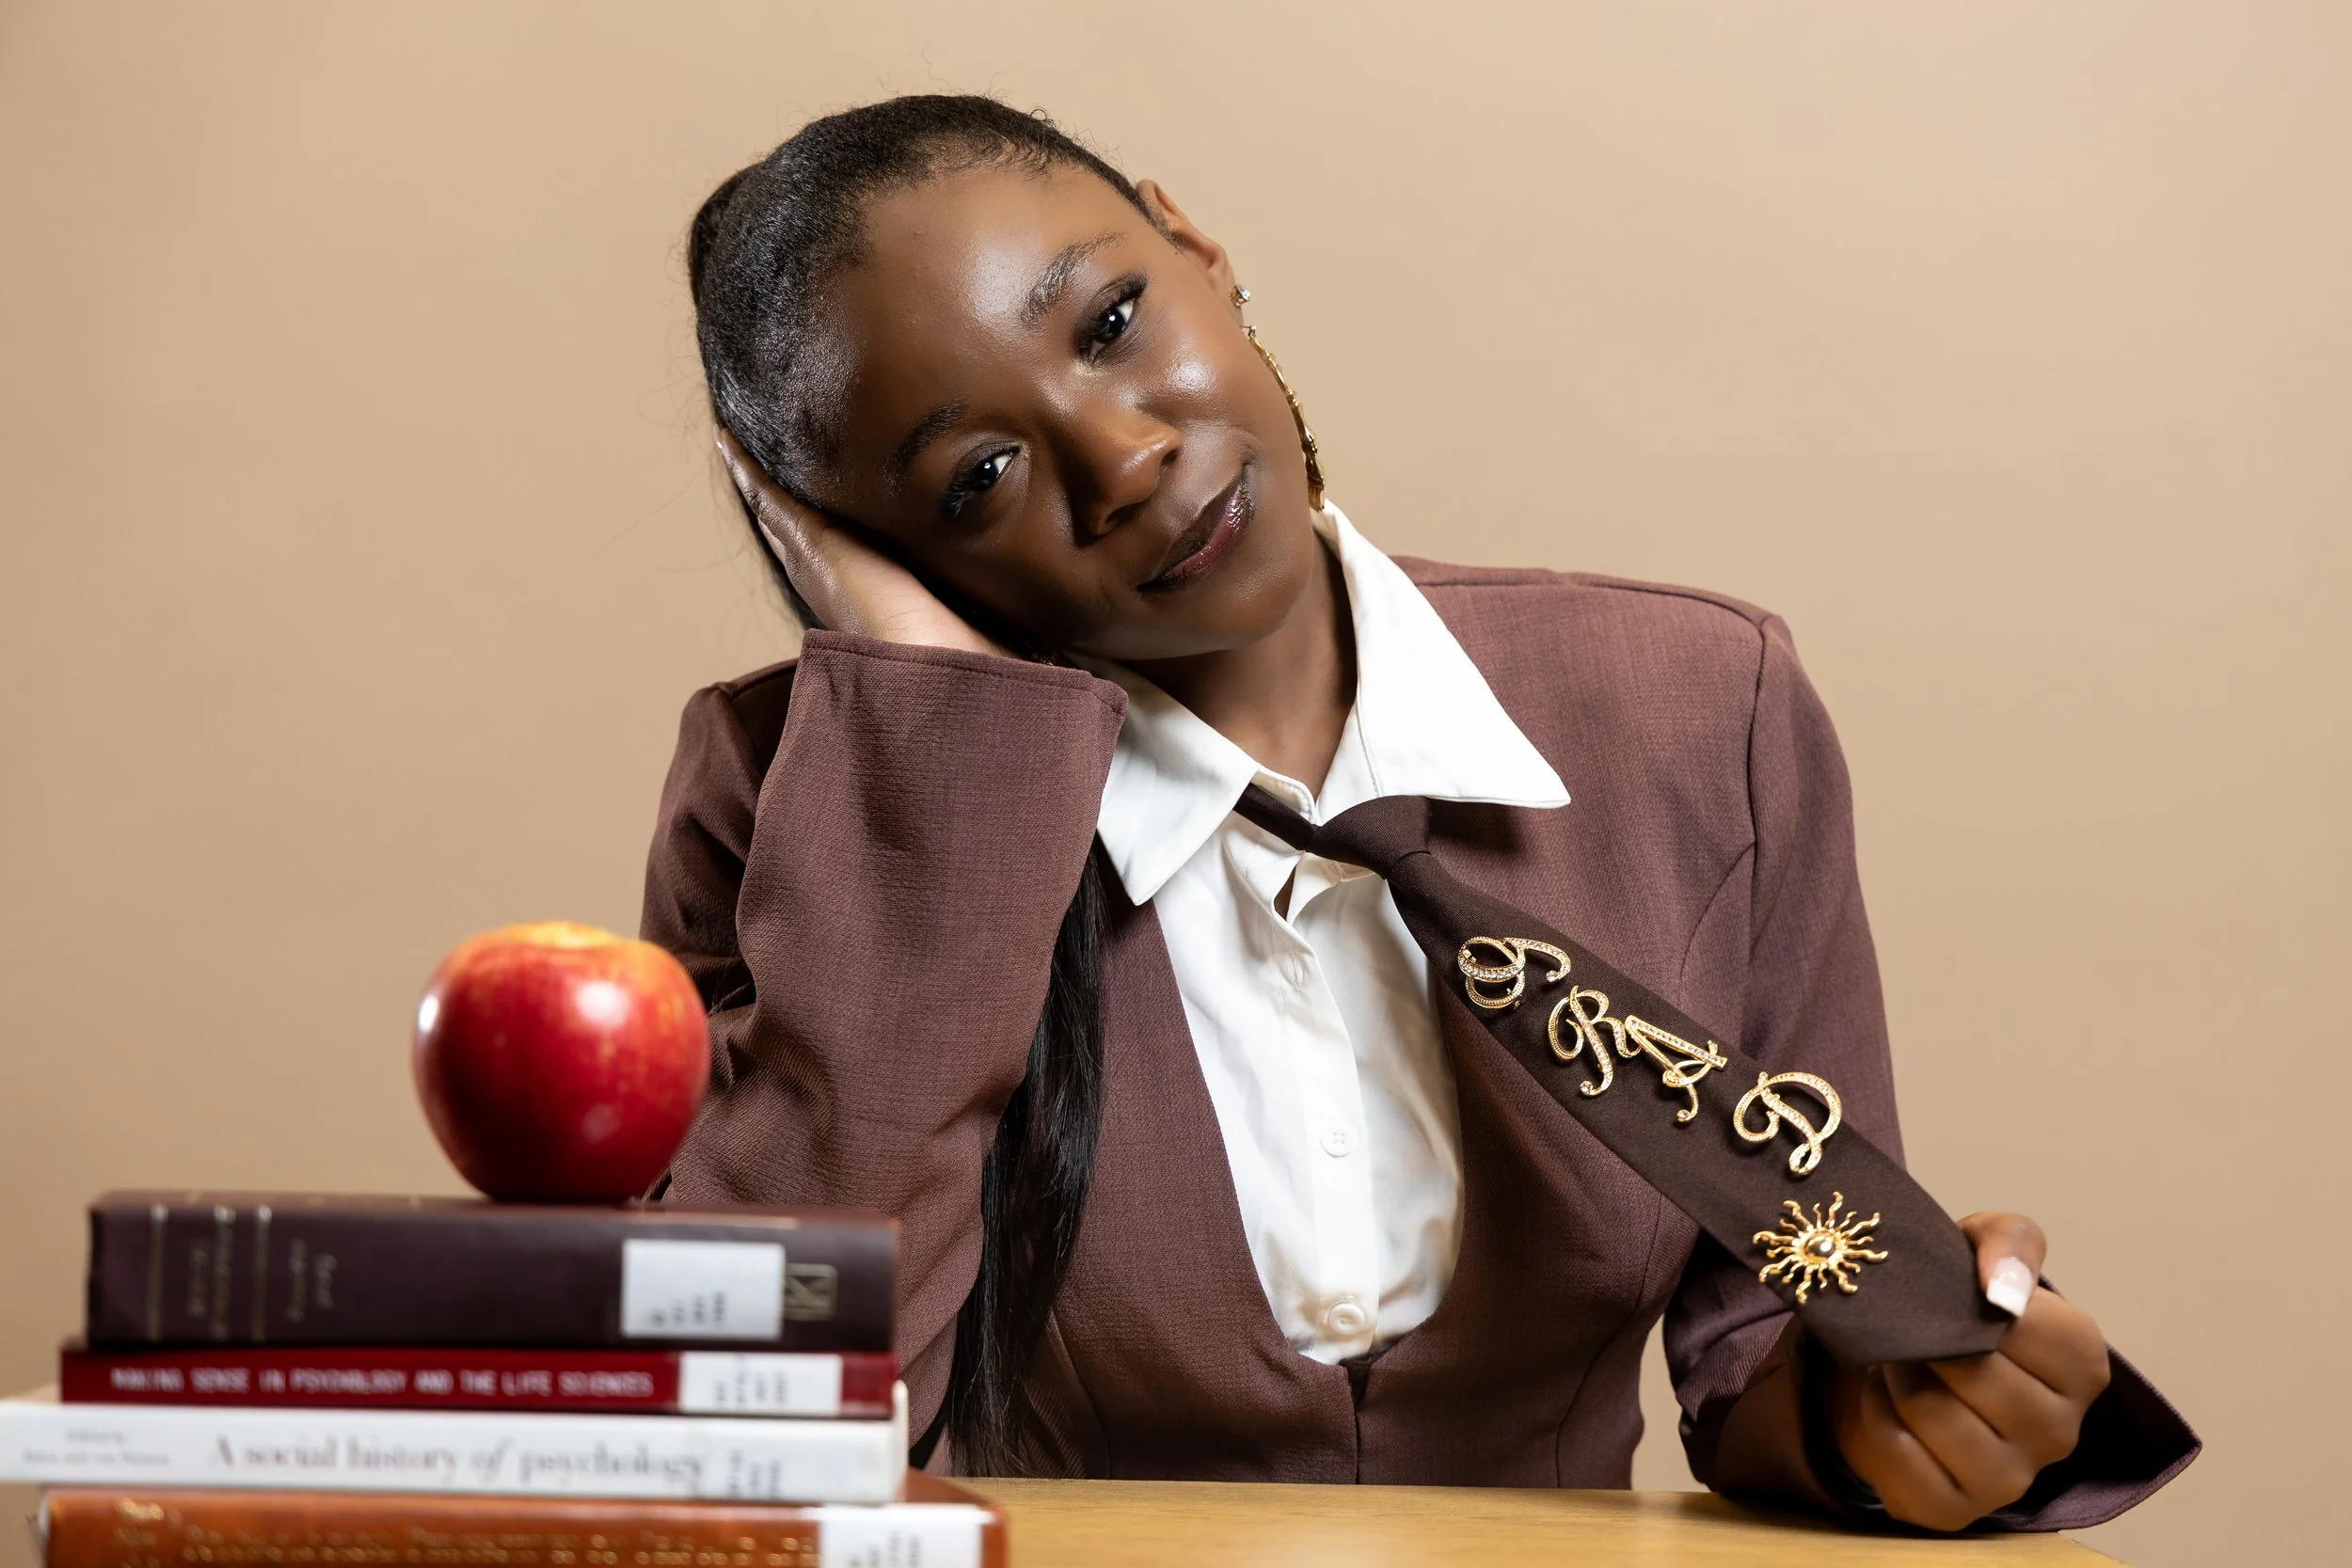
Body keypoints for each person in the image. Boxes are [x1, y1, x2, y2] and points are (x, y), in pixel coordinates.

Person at [645, 94, 2190, 1528]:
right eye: (979, 476)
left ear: (1197, 248)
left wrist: (1895, 1413)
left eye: (1117, 321)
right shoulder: (800, 799)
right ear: (873, 553)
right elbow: (741, 1439)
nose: (1124, 457)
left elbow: (1758, 1350)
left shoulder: (1701, 711)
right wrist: (932, 765)